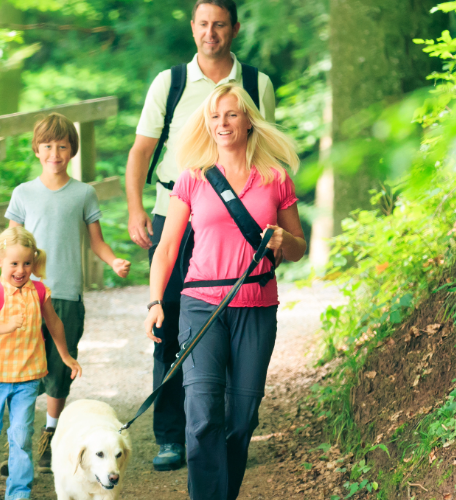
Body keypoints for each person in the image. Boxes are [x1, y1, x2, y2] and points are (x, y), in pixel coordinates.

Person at [124, 0, 276, 472]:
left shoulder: (256, 84)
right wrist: (134, 209)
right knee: (170, 324)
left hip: (237, 217)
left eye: (220, 25)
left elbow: (268, 145)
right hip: (177, 210)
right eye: (203, 25)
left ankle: (227, 433)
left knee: (235, 319)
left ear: (234, 28)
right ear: (193, 29)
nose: (211, 33)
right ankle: (173, 436)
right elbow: (141, 151)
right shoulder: (168, 84)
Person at [144, 83, 307, 500]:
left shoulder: (275, 178)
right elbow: (165, 249)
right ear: (206, 122)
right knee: (201, 416)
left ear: (248, 120)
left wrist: (280, 241)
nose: (222, 123)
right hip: (202, 306)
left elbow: (299, 249)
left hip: (256, 307)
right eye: (215, 116)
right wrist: (155, 302)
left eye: (231, 114)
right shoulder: (193, 178)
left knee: (242, 418)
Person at [5, 112, 131, 473]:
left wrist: (113, 262)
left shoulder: (83, 193)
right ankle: (18, 446)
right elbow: (11, 244)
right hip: (27, 294)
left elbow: (97, 242)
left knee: (60, 368)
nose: (55, 153)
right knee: (23, 369)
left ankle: (50, 434)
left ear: (72, 150)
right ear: (37, 149)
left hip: (66, 296)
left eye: (62, 146)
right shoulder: (23, 193)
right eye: (47, 146)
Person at [0, 226, 83, 500]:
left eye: (27, 263)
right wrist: (3, 326)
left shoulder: (39, 291)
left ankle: (18, 491)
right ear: (0, 260)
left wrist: (65, 355)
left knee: (21, 435)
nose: (20, 269)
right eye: (14, 263)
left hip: (27, 377)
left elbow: (54, 323)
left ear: (34, 262)